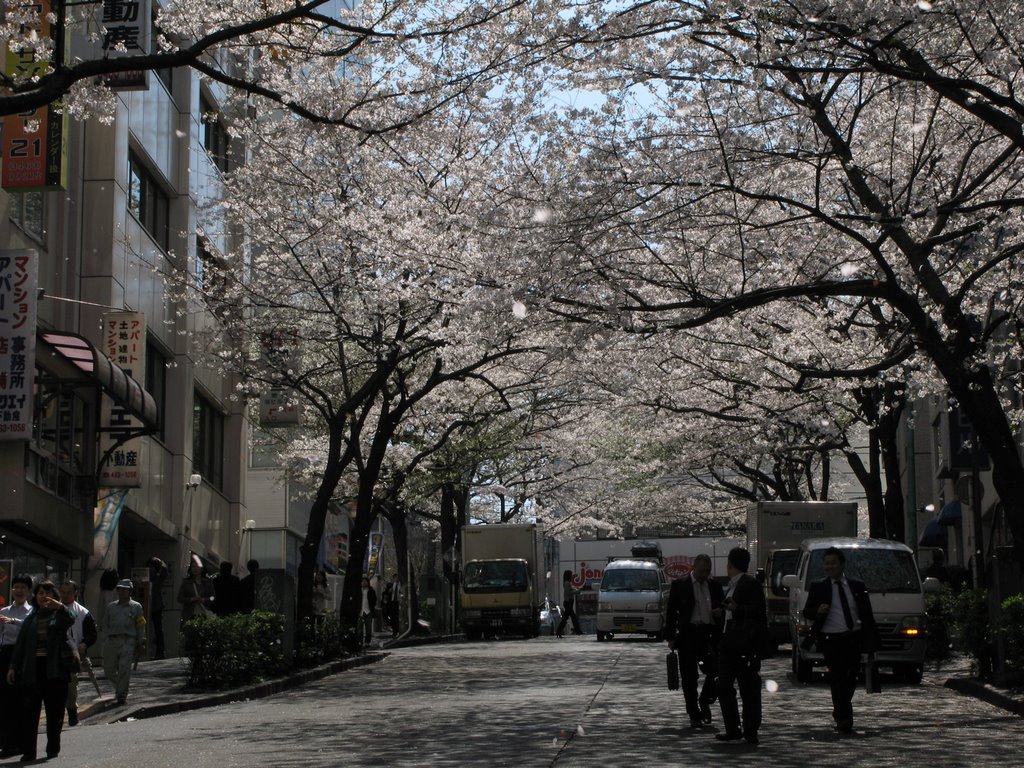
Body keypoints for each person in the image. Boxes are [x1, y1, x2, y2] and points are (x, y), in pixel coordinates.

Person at [803, 546, 879, 735]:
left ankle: (841, 709)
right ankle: (844, 718)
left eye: (833, 563)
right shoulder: (819, 586)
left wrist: (872, 640)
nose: (829, 567)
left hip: (852, 637)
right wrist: (817, 611)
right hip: (831, 639)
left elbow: (866, 614)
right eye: (826, 563)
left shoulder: (857, 586)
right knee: (837, 678)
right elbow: (807, 611)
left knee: (851, 677)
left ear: (842, 564)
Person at [7, 580, 74, 761]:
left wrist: (59, 606)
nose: (44, 597)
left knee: (55, 712)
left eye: (48, 593)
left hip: (55, 671)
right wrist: (13, 667)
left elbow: (70, 618)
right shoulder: (31, 618)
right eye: (40, 594)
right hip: (33, 670)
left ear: (54, 597)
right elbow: (20, 645)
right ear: (35, 597)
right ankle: (29, 751)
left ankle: (52, 747)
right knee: (30, 713)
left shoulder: (60, 616)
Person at [664, 554, 725, 728]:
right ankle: (694, 713)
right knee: (689, 677)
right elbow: (671, 612)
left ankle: (705, 699)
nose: (704, 575)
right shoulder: (680, 585)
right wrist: (670, 636)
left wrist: (719, 612)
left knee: (715, 671)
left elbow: (722, 607)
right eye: (701, 571)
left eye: (707, 571)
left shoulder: (714, 586)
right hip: (688, 634)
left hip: (709, 634)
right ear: (694, 568)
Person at [715, 547, 768, 745]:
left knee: (749, 689)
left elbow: (758, 611)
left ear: (729, 563)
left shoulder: (749, 584)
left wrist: (738, 609)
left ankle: (750, 729)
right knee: (724, 686)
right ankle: (734, 728)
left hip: (745, 645)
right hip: (729, 644)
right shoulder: (733, 585)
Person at [0, 575, 32, 757]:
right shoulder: (4, 610)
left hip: (23, 655)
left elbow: (28, 628)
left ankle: (21, 742)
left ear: (28, 591)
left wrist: (13, 621)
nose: (19, 591)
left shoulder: (31, 612)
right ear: (12, 590)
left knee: (22, 699)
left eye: (23, 588)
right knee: (6, 700)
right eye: (16, 587)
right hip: (6, 654)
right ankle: (7, 743)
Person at [59, 580, 97, 727]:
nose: (65, 595)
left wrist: (84, 643)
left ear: (75, 593)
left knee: (71, 685)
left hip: (73, 655)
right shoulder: (54, 608)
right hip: (56, 654)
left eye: (69, 592)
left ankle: (72, 714)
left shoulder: (83, 612)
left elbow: (92, 634)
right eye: (63, 592)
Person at [102, 579, 146, 706]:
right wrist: (104, 639)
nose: (122, 591)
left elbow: (141, 624)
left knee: (124, 668)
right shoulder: (111, 606)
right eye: (120, 589)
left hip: (128, 640)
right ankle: (120, 687)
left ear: (130, 591)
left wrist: (141, 641)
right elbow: (105, 623)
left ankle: (121, 694)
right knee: (109, 670)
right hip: (112, 640)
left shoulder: (136, 607)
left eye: (125, 589)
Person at [148, 557, 169, 659]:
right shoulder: (159, 577)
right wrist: (161, 562)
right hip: (157, 605)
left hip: (147, 605)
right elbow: (165, 569)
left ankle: (148, 651)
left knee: (147, 629)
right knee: (158, 629)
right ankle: (160, 652)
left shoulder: (147, 575)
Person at [556, 569, 582, 637]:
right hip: (568, 603)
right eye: (571, 575)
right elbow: (569, 592)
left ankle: (559, 632)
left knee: (566, 618)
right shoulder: (567, 583)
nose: (571, 576)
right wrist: (577, 591)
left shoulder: (567, 583)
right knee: (572, 617)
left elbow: (571, 590)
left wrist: (576, 589)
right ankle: (578, 631)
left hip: (568, 603)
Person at [381, 573, 401, 638]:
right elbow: (385, 593)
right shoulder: (390, 585)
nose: (396, 579)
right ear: (393, 578)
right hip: (392, 603)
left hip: (399, 602)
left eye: (397, 578)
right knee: (392, 618)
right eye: (395, 578)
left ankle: (398, 631)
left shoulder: (401, 585)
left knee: (398, 618)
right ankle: (394, 631)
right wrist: (388, 591)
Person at [358, 576, 377, 647]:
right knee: (359, 628)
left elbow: (375, 599)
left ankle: (367, 642)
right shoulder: (358, 590)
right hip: (360, 611)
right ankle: (360, 641)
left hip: (368, 611)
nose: (364, 582)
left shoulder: (371, 591)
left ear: (368, 582)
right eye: (362, 581)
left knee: (368, 628)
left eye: (365, 581)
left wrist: (372, 606)